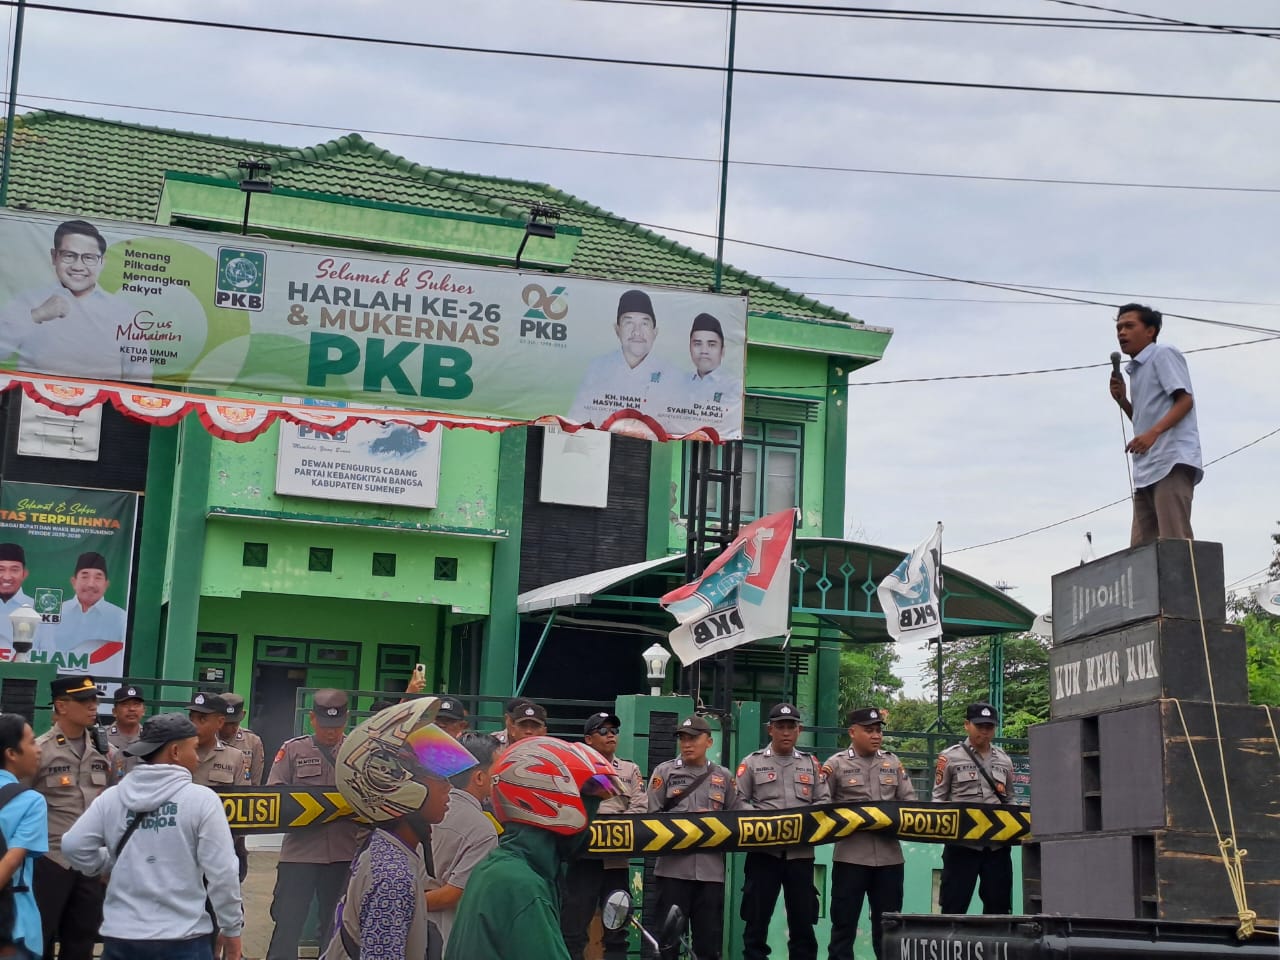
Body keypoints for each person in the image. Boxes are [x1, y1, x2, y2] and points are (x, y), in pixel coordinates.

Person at [61, 713, 243, 960]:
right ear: (176, 752)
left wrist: (110, 862)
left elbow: (73, 845)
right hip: (183, 938)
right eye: (195, 748)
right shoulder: (201, 800)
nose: (198, 757)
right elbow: (222, 871)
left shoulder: (112, 798)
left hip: (122, 938)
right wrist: (231, 927)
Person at [323, 697, 479, 960]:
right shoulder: (393, 878)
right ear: (394, 787)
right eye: (438, 778)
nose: (447, 787)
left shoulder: (387, 852)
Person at [445, 736, 622, 960]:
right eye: (589, 810)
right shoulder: (521, 885)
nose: (589, 825)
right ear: (555, 806)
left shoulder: (500, 868)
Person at [267, 689, 364, 960]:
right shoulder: (293, 750)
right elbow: (275, 794)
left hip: (343, 853)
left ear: (346, 721)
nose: (330, 733)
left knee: (335, 925)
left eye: (337, 726)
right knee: (288, 921)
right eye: (324, 726)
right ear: (312, 719)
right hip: (300, 853)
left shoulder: (356, 752)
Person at [30, 675, 121, 960]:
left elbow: (111, 804)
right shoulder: (39, 750)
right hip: (49, 860)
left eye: (95, 699)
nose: (93, 706)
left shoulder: (105, 752)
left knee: (82, 940)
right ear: (61, 706)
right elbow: (20, 805)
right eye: (84, 700)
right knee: (39, 938)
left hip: (90, 864)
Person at [735, 703, 829, 960]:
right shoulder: (752, 762)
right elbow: (738, 801)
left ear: (799, 730)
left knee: (803, 924)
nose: (786, 732)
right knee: (756, 922)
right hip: (763, 854)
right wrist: (764, 823)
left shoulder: (811, 764)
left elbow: (824, 802)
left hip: (800, 856)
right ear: (770, 729)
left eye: (791, 727)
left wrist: (806, 824)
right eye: (780, 727)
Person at [0, 219, 147, 382]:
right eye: (69, 256)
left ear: (102, 262)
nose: (78, 266)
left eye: (89, 258)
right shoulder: (28, 301)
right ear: (54, 257)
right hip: (32, 401)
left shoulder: (124, 313)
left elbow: (141, 375)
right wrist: (36, 315)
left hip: (100, 403)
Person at [822, 707, 916, 960]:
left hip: (889, 860)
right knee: (843, 927)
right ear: (853, 732)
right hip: (851, 858)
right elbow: (821, 808)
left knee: (888, 928)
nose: (876, 736)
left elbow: (909, 803)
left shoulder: (892, 762)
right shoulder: (836, 764)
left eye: (878, 730)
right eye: (869, 730)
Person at [1108, 302, 1202, 547]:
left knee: (1174, 544)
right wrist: (1124, 402)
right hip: (1146, 470)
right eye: (1118, 328)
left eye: (1129, 326)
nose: (1121, 333)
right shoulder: (1137, 370)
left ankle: (1185, 587)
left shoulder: (1163, 354)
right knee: (1141, 551)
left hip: (1170, 461)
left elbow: (1185, 401)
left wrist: (1153, 434)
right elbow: (1144, 422)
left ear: (1150, 331)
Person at [647, 714, 736, 960]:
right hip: (672, 872)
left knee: (708, 944)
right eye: (683, 738)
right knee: (667, 944)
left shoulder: (725, 777)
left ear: (709, 742)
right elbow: (650, 816)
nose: (687, 744)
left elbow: (740, 818)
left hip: (710, 875)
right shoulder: (664, 772)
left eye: (693, 738)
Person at [560, 711, 647, 960]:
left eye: (614, 731)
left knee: (617, 930)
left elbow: (640, 808)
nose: (611, 735)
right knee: (574, 928)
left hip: (616, 862)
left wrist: (613, 828)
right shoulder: (576, 769)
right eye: (603, 731)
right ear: (589, 739)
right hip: (584, 858)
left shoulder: (630, 769)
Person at [933, 702, 1014, 915]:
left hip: (997, 848)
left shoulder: (1005, 760)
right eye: (980, 726)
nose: (985, 731)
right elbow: (938, 800)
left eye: (989, 726)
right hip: (962, 846)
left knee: (999, 907)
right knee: (953, 905)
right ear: (967, 725)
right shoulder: (949, 757)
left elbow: (1010, 800)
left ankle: (994, 948)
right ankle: (950, 948)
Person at [425, 731, 500, 950]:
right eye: (496, 770)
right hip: (445, 936)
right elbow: (455, 893)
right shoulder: (482, 829)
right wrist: (405, 901)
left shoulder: (425, 808)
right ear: (479, 777)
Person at [567, 289, 669, 424]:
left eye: (644, 323)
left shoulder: (670, 374)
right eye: (629, 323)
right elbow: (577, 417)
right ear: (617, 330)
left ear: (655, 332)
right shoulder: (598, 368)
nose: (636, 332)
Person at [0, 713, 48, 960]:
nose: (38, 749)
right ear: (11, 753)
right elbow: (11, 862)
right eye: (31, 742)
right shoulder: (30, 801)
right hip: (13, 926)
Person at [41, 552, 127, 673]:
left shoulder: (120, 618)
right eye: (85, 577)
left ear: (106, 584)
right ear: (73, 582)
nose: (91, 584)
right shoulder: (55, 612)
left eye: (98, 577)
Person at [185, 692, 249, 790]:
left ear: (220, 722)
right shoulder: (178, 754)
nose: (194, 725)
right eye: (191, 718)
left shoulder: (235, 758)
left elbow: (245, 799)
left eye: (202, 719)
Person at [219, 694, 264, 786]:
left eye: (235, 723)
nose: (231, 728)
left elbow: (255, 783)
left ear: (243, 715)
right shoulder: (208, 739)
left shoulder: (253, 741)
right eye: (226, 723)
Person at [107, 682, 146, 776]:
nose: (132, 709)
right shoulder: (103, 737)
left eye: (136, 704)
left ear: (144, 711)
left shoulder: (150, 739)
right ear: (114, 711)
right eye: (125, 705)